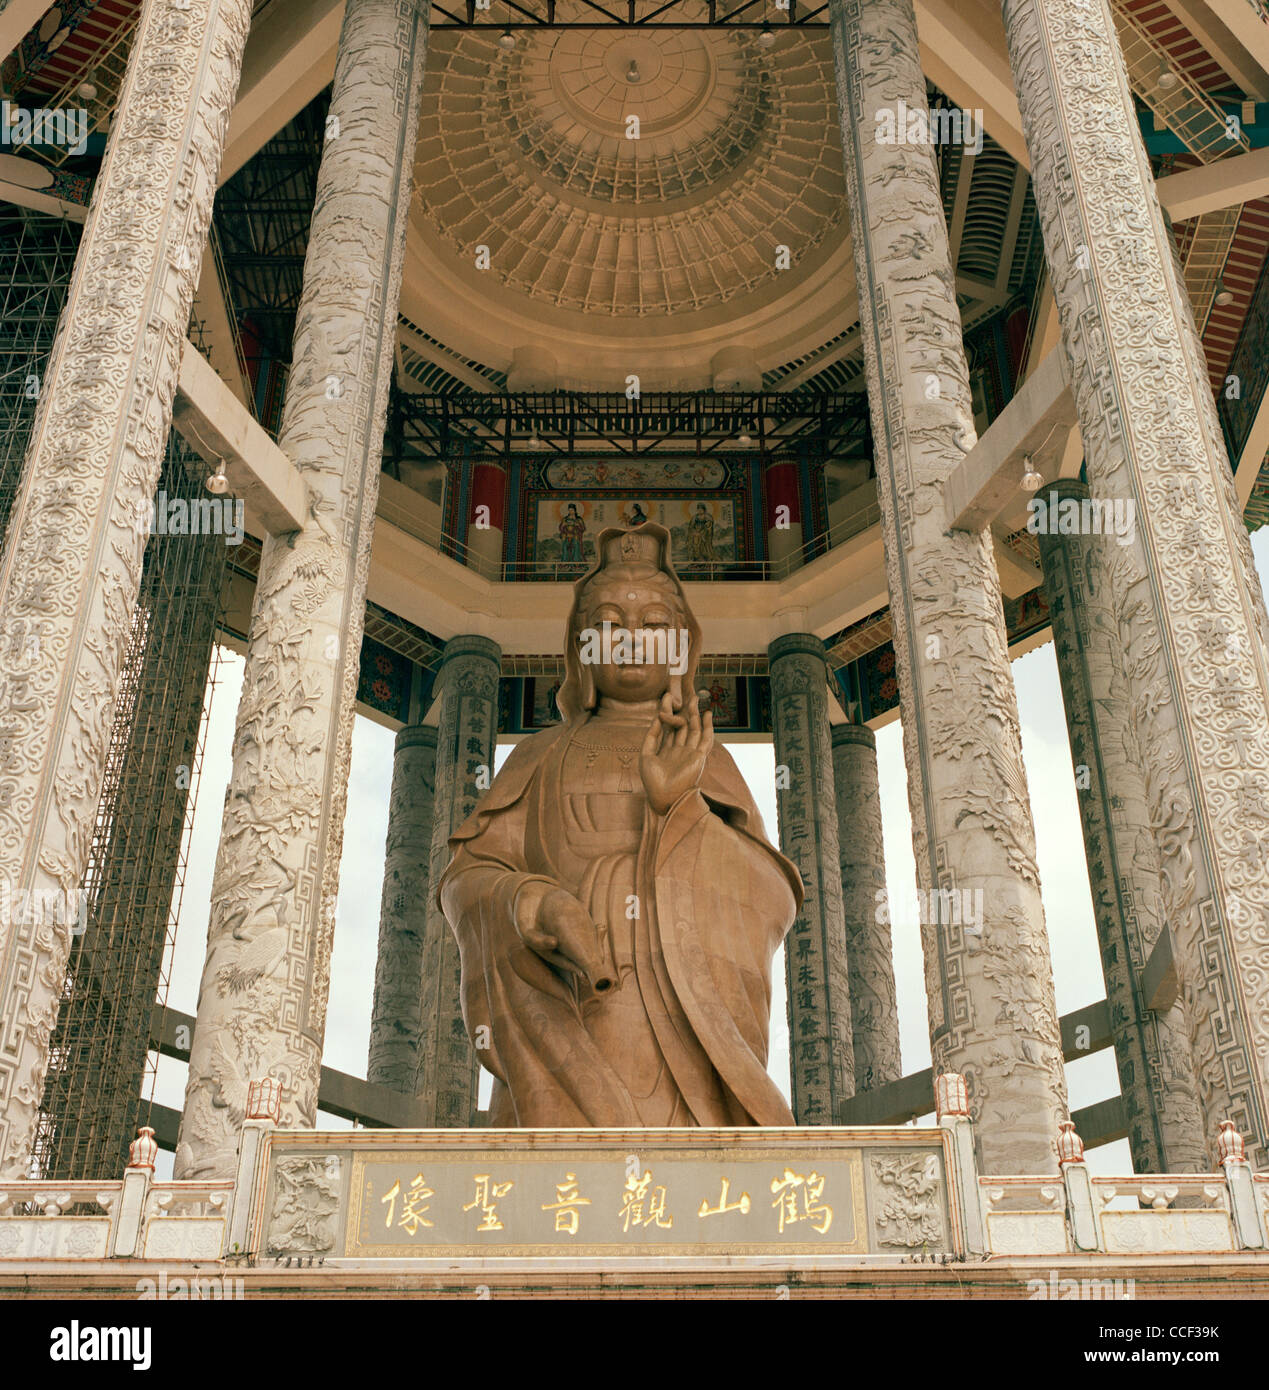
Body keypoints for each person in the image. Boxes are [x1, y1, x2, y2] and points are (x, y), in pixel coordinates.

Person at [439, 525, 799, 1126]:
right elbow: (465, 881)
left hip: (681, 1034)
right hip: (563, 1015)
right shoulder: (539, 756)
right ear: (581, 646)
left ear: (681, 646)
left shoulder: (710, 761)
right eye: (609, 624)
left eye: (654, 626)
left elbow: (773, 898)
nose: (631, 640)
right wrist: (528, 901)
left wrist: (678, 811)